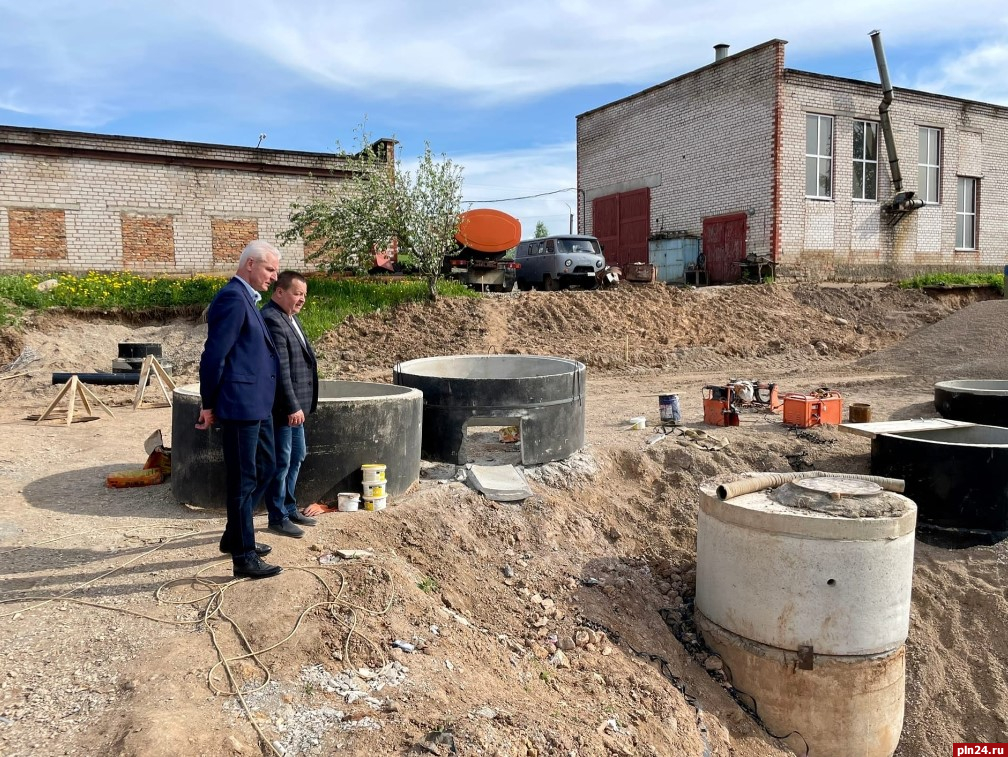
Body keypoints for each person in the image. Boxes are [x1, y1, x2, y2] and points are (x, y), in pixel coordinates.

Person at [196, 240, 283, 580]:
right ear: (250, 264)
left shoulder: (248, 298)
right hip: (239, 405)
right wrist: (209, 403)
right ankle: (243, 557)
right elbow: (214, 356)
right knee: (244, 480)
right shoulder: (232, 298)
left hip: (258, 405)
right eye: (269, 269)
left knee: (267, 467)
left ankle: (235, 535)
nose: (274, 277)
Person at [261, 270, 319, 538]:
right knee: (281, 461)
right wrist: (292, 406)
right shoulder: (272, 319)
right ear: (279, 292)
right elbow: (281, 369)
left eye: (304, 295)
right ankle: (277, 516)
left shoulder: (289, 318)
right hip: (283, 409)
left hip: (296, 408)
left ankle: (289, 506)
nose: (302, 299)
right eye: (297, 293)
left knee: (296, 456)